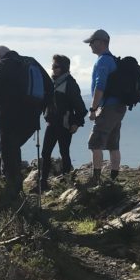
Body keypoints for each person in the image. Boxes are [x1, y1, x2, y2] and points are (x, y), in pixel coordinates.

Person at [0, 45, 52, 196]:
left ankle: (14, 194)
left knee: (9, 154)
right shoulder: (31, 62)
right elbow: (49, 86)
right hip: (31, 122)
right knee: (9, 149)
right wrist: (40, 109)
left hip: (9, 120)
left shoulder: (2, 65)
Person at [84, 29, 125, 186]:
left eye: (92, 43)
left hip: (108, 107)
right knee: (113, 144)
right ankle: (113, 179)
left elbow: (99, 87)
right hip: (119, 107)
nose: (90, 46)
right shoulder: (113, 60)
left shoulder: (102, 61)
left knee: (95, 143)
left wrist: (93, 109)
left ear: (101, 42)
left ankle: (96, 180)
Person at [41, 54, 87, 190]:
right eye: (52, 66)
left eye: (56, 66)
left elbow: (80, 107)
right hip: (51, 123)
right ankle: (43, 183)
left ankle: (67, 181)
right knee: (45, 153)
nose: (53, 69)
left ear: (64, 68)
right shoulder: (51, 83)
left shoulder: (70, 84)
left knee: (64, 152)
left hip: (64, 124)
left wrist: (76, 123)